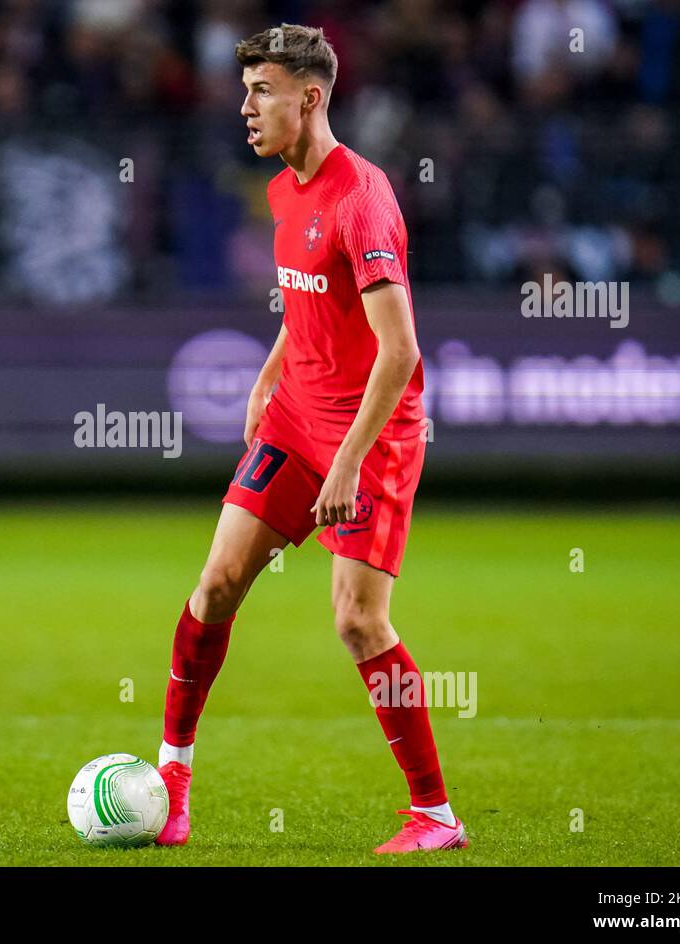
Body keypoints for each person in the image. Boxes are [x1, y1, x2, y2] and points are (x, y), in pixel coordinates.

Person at [155, 23, 465, 854]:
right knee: (216, 584)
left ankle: (435, 815)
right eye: (245, 90)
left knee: (358, 622)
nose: (245, 109)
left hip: (374, 429)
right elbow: (308, 305)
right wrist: (266, 377)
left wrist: (350, 463)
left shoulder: (362, 198)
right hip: (297, 415)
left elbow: (399, 351)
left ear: (311, 96)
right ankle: (173, 783)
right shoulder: (283, 190)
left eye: (261, 91)